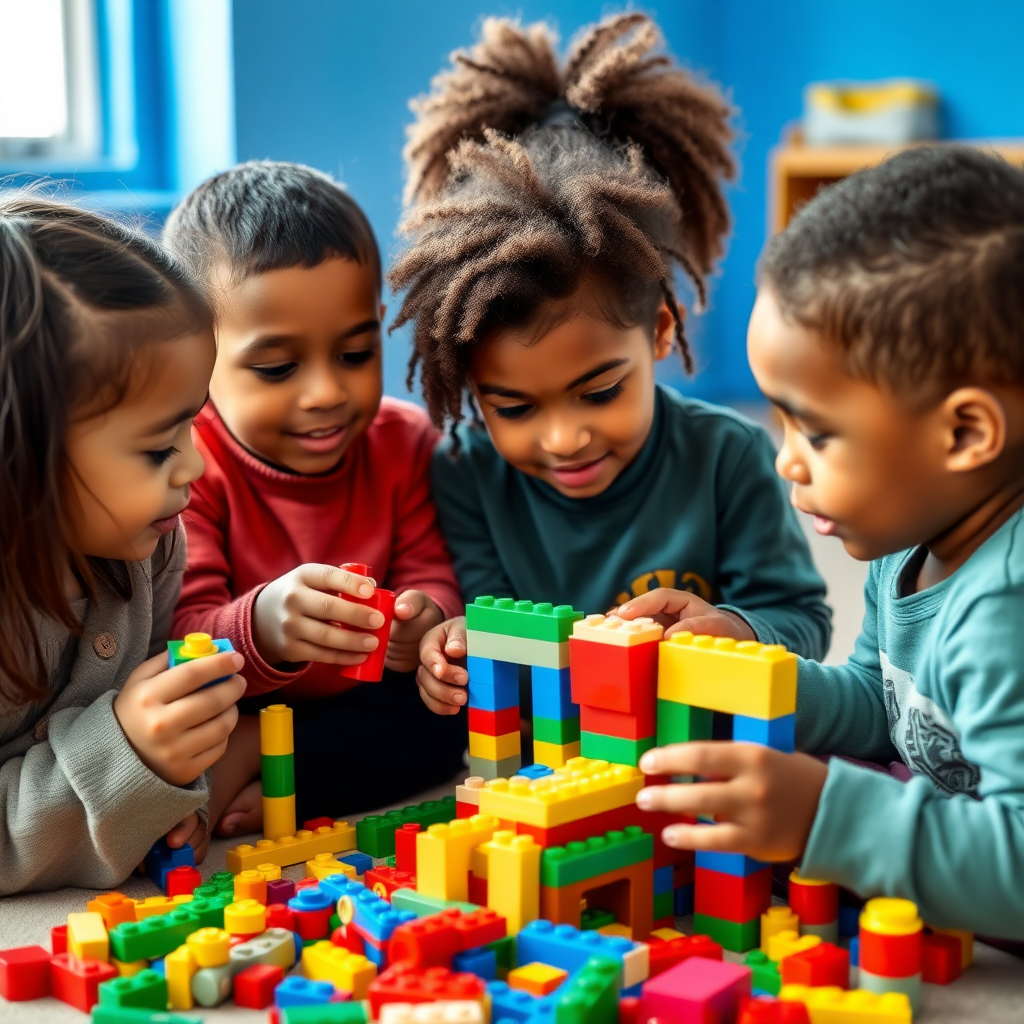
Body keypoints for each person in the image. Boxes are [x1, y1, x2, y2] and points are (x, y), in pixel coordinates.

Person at [390, 14, 831, 715]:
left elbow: (803, 619)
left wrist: (739, 630)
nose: (564, 438)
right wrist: (455, 648)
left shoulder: (730, 455)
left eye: (598, 392)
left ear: (659, 333)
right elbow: (482, 624)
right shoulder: (466, 474)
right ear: (472, 384)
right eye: (513, 407)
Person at [635, 147, 1024, 939]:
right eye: (778, 420)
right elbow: (885, 710)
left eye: (816, 430)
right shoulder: (905, 542)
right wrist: (750, 677)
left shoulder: (1005, 609)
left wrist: (824, 816)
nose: (784, 459)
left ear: (963, 433)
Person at [164, 162, 466, 834]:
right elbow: (179, 633)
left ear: (380, 325)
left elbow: (428, 564)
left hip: (358, 705)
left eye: (356, 354)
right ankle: (253, 755)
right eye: (278, 368)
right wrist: (266, 625)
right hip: (237, 701)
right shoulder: (190, 465)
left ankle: (290, 777)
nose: (327, 391)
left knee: (446, 720)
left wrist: (425, 619)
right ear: (193, 356)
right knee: (176, 722)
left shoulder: (403, 440)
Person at [0, 195, 244, 895]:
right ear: (22, 462)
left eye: (193, 425)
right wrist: (125, 760)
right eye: (157, 446)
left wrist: (166, 789)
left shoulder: (148, 546)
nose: (195, 464)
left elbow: (150, 735)